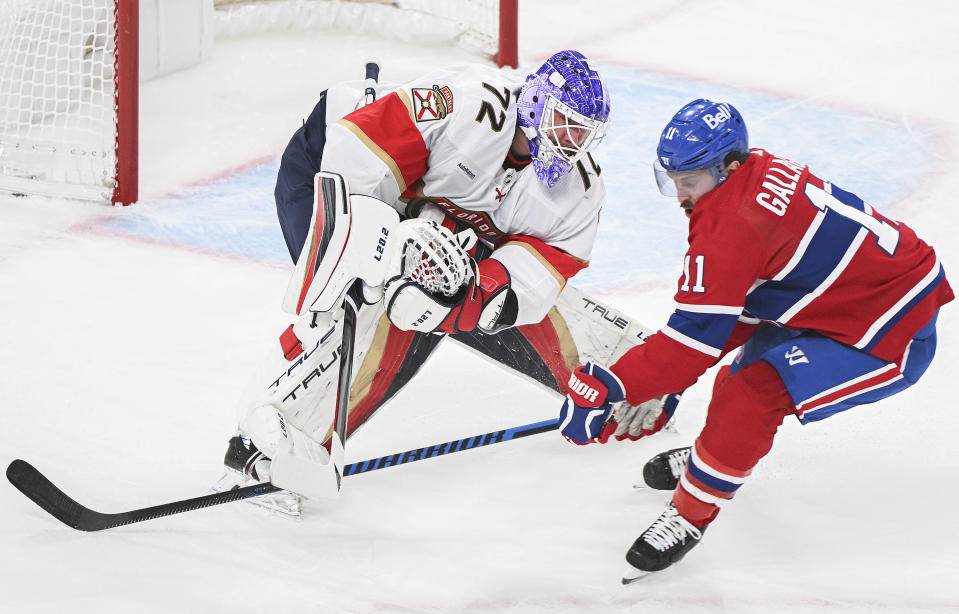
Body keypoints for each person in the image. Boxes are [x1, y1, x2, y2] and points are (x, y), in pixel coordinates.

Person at [215, 50, 675, 514]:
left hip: (430, 218)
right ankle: (272, 440)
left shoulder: (579, 188)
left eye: (584, 131)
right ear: (535, 104)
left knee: (439, 289)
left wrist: (467, 300)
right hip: (332, 165)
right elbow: (358, 156)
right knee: (348, 302)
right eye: (565, 122)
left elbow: (538, 275)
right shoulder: (469, 104)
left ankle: (630, 373)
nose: (573, 141)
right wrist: (378, 260)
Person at [557, 98, 954, 580]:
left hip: (889, 331)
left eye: (690, 181)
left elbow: (693, 341)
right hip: (854, 298)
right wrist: (664, 378)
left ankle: (690, 514)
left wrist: (615, 385)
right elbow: (742, 306)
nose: (680, 195)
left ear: (728, 167)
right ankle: (713, 456)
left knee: (751, 394)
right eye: (673, 180)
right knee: (741, 372)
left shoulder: (732, 225)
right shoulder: (755, 172)